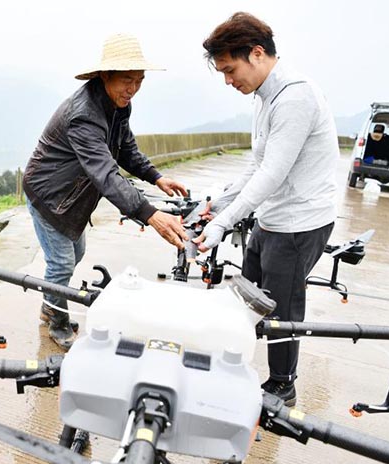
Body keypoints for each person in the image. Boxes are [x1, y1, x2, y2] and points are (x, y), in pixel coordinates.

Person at [195, 12, 338, 406]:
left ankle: (282, 385)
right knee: (249, 296)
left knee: (281, 306)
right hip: (272, 217)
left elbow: (273, 173)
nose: (227, 80)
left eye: (229, 69)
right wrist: (219, 202)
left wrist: (223, 223)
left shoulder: (295, 96)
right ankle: (238, 362)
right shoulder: (263, 96)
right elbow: (257, 165)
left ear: (257, 53)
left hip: (298, 223)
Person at [23, 33, 189, 349]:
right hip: (49, 196)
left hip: (71, 196)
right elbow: (106, 174)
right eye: (127, 80)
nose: (133, 88)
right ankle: (57, 323)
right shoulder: (84, 114)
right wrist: (150, 215)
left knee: (76, 254)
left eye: (139, 81)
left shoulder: (118, 104)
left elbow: (125, 147)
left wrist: (156, 177)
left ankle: (49, 304)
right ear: (105, 76)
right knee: (60, 264)